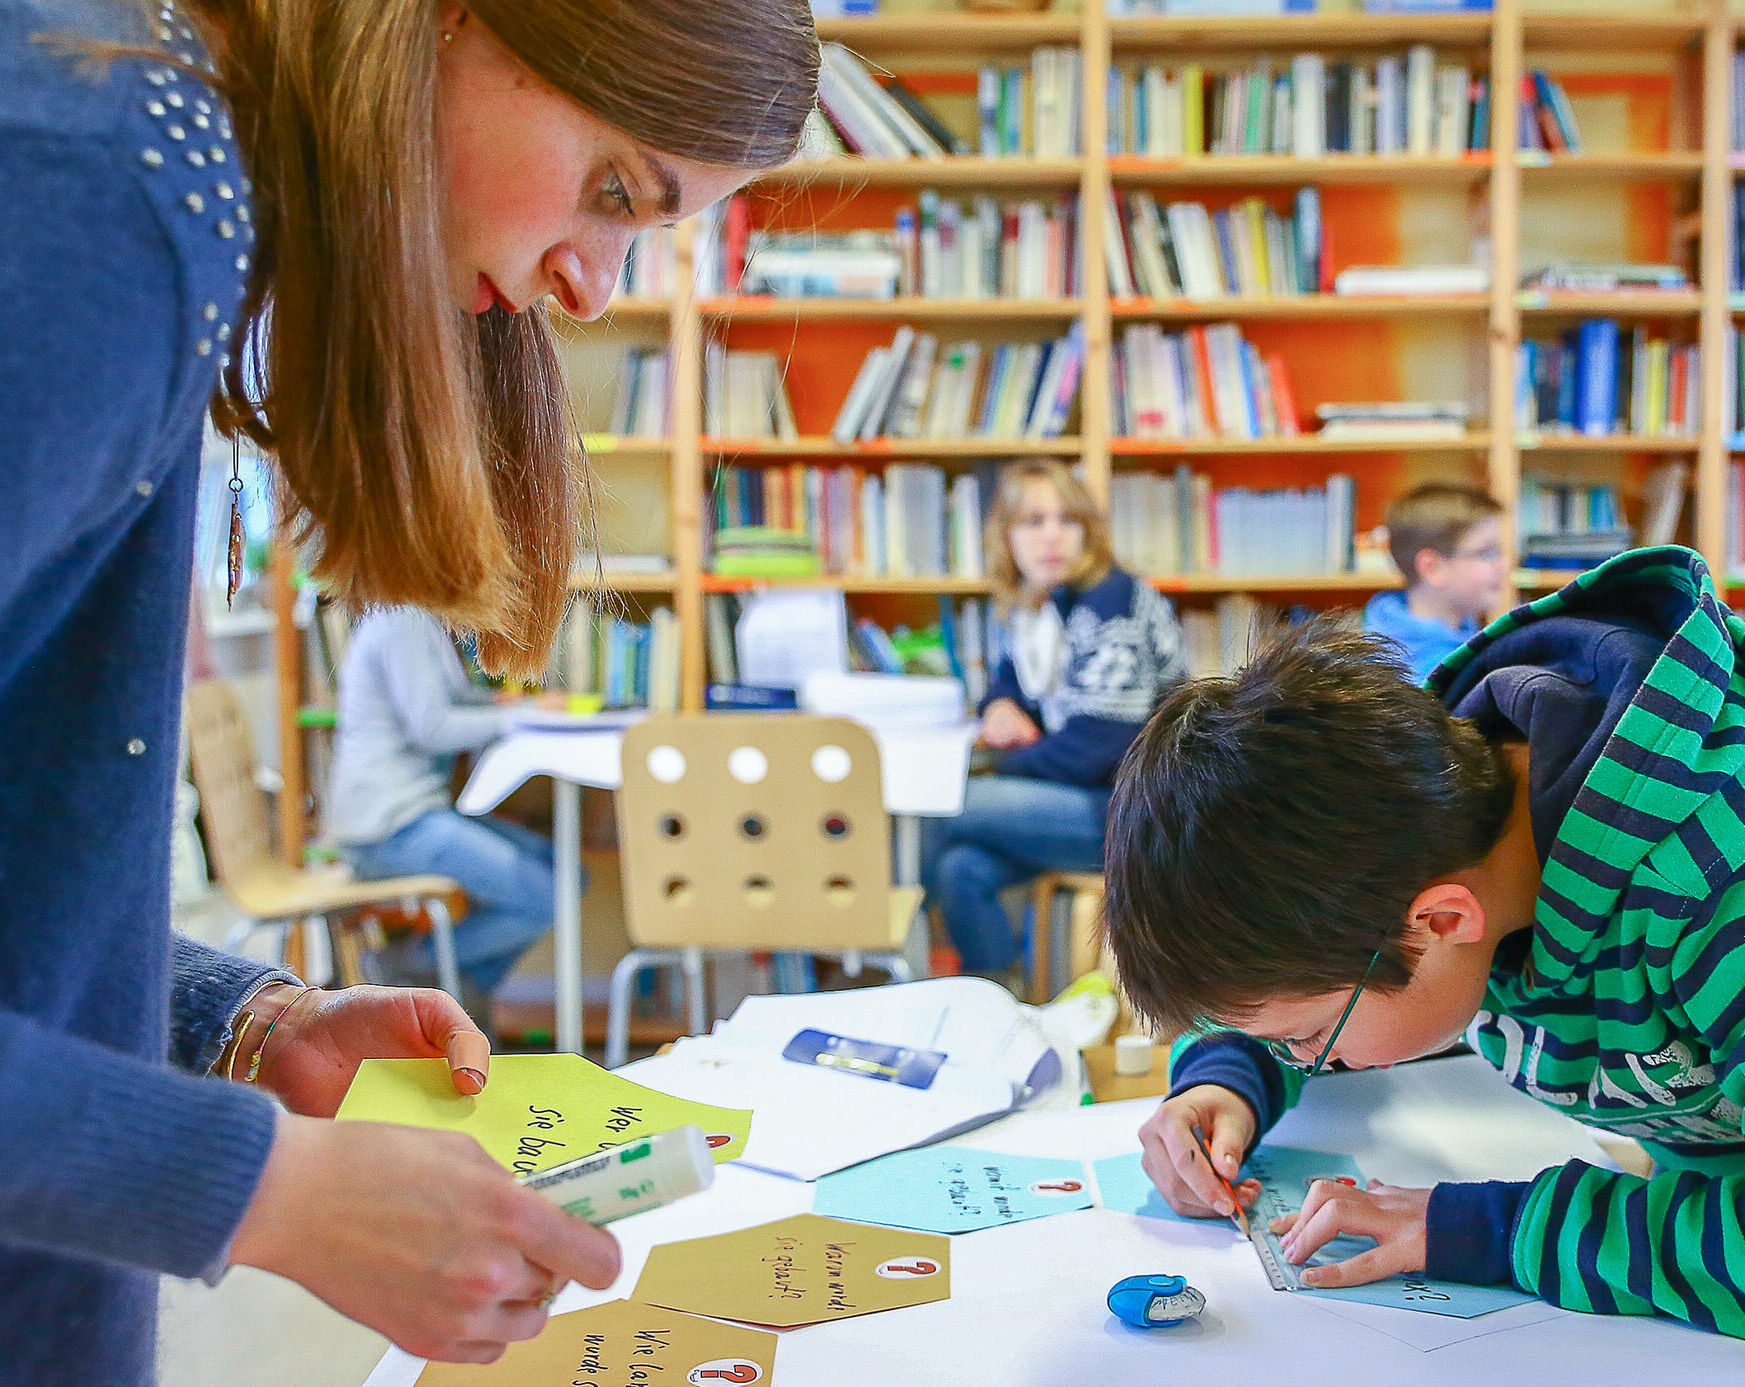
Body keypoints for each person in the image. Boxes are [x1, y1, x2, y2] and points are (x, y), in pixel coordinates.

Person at [0, 0, 815, 1379]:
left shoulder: (148, 149)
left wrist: (229, 1019)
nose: (596, 285)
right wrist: (268, 1185)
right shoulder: (114, 183)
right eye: (614, 188)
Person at [1105, 547, 1745, 1380]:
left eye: (1309, 1037)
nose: (1307, 1062)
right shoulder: (1420, 812)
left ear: (1442, 919)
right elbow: (1333, 964)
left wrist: (1491, 1229)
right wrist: (1227, 1071)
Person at [928, 461, 1186, 987]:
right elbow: (1008, 682)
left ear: (1088, 533)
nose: (1052, 536)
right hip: (1083, 803)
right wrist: (997, 706)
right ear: (1006, 536)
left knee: (945, 806)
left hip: (1140, 818)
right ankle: (999, 1004)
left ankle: (900, 962)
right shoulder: (1038, 607)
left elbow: (1099, 744)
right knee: (962, 868)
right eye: (1033, 520)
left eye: (1068, 520)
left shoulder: (1110, 601)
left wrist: (1000, 765)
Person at [328, 607, 554, 1013]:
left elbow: (443, 699)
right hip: (388, 827)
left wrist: (496, 702)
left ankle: (463, 985)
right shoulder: (403, 619)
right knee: (546, 897)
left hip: (414, 816)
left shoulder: (421, 619)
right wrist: (520, 716)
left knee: (562, 869)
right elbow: (432, 727)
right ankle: (402, 966)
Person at [1362, 482, 1508, 681]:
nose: (1503, 565)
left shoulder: (1462, 631)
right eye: (1486, 553)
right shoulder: (1409, 673)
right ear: (1432, 568)